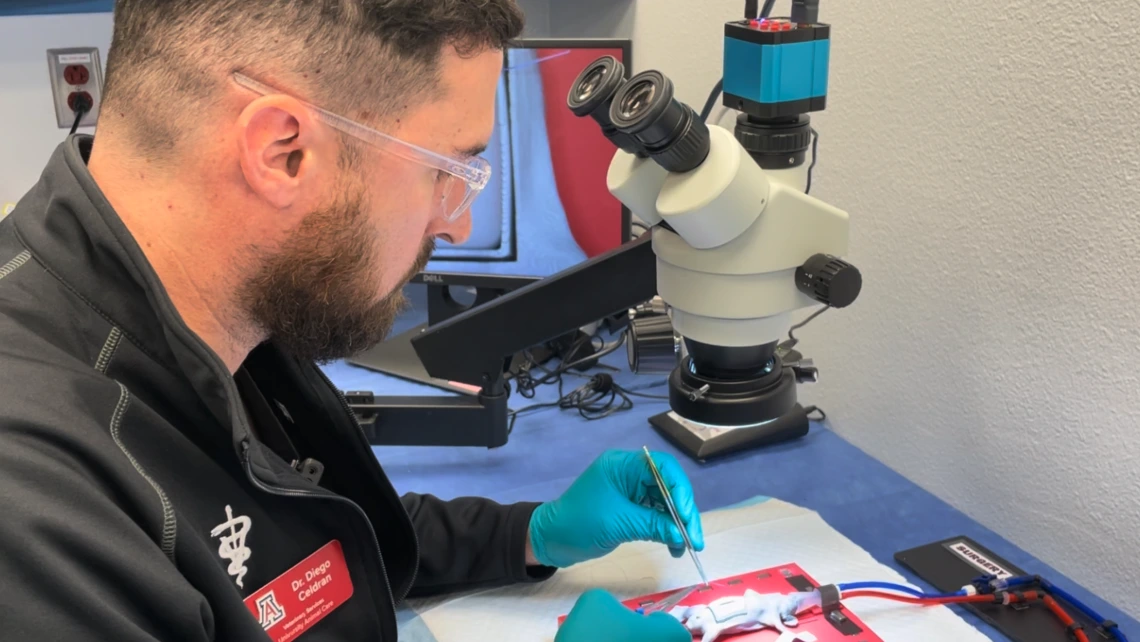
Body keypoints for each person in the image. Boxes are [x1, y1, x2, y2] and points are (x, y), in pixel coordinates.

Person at [0, 1, 701, 640]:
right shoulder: (34, 516)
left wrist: (530, 535)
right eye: (447, 171)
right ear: (285, 152)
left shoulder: (214, 312)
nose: (455, 226)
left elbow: (297, 547)